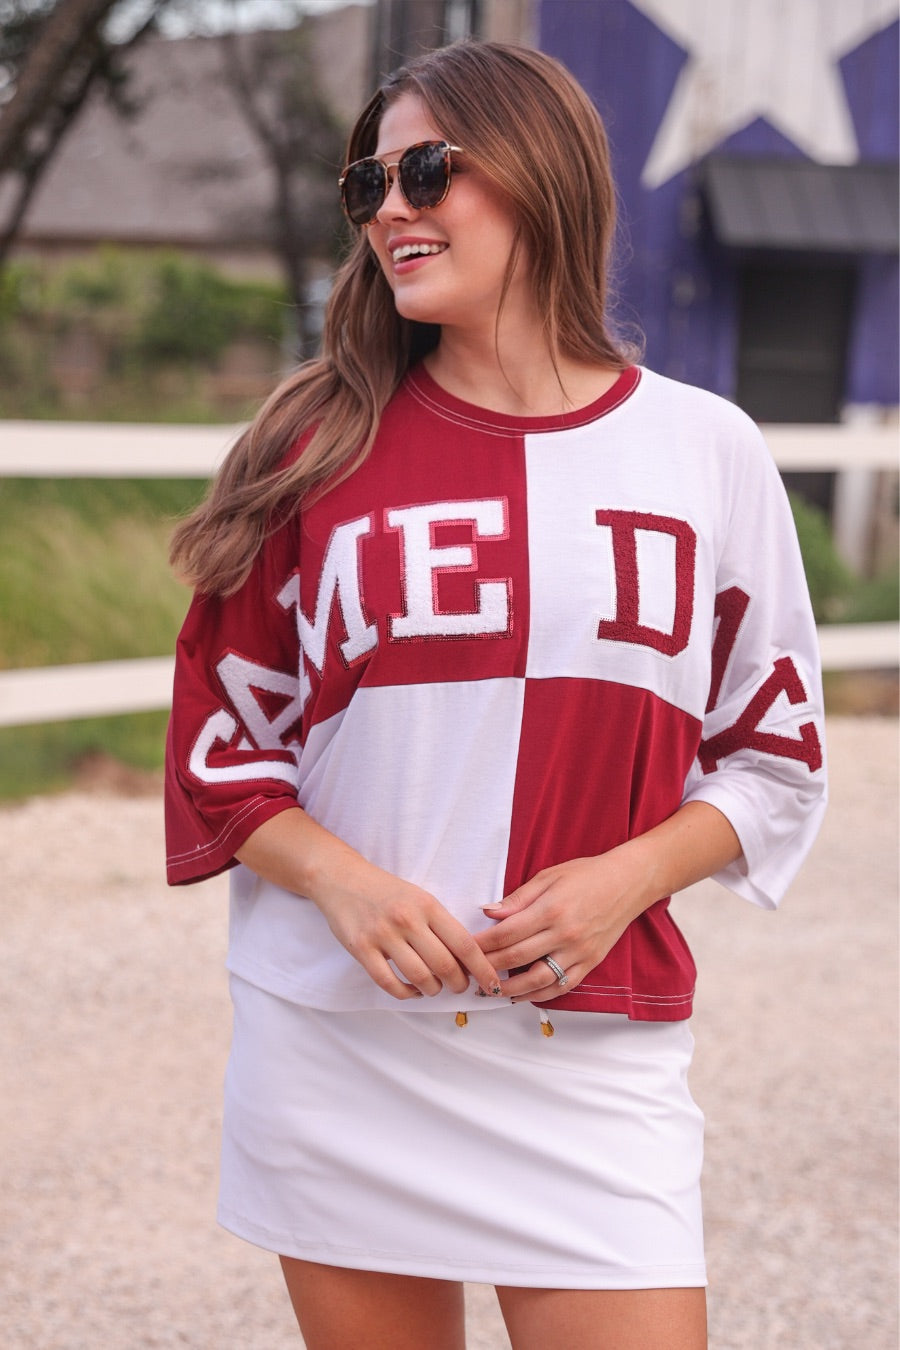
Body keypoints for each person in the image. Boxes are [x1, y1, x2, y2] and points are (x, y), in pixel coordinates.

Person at [164, 38, 826, 1350]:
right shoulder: (313, 444)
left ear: (543, 175)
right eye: (370, 188)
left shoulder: (707, 451)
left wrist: (625, 877)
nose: (392, 210)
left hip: (588, 1060)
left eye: (426, 171)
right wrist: (349, 885)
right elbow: (224, 757)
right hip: (343, 1043)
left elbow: (775, 758)